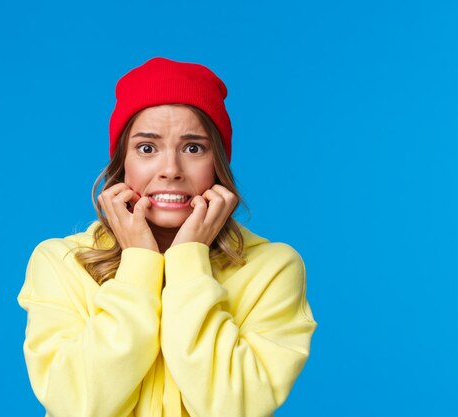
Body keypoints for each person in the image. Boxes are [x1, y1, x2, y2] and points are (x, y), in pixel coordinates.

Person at [17, 57, 317, 417]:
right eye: (147, 148)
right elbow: (78, 406)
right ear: (121, 162)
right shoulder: (60, 261)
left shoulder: (274, 268)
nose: (171, 170)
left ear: (217, 162)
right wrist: (140, 265)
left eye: (193, 148)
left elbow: (235, 408)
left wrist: (188, 259)